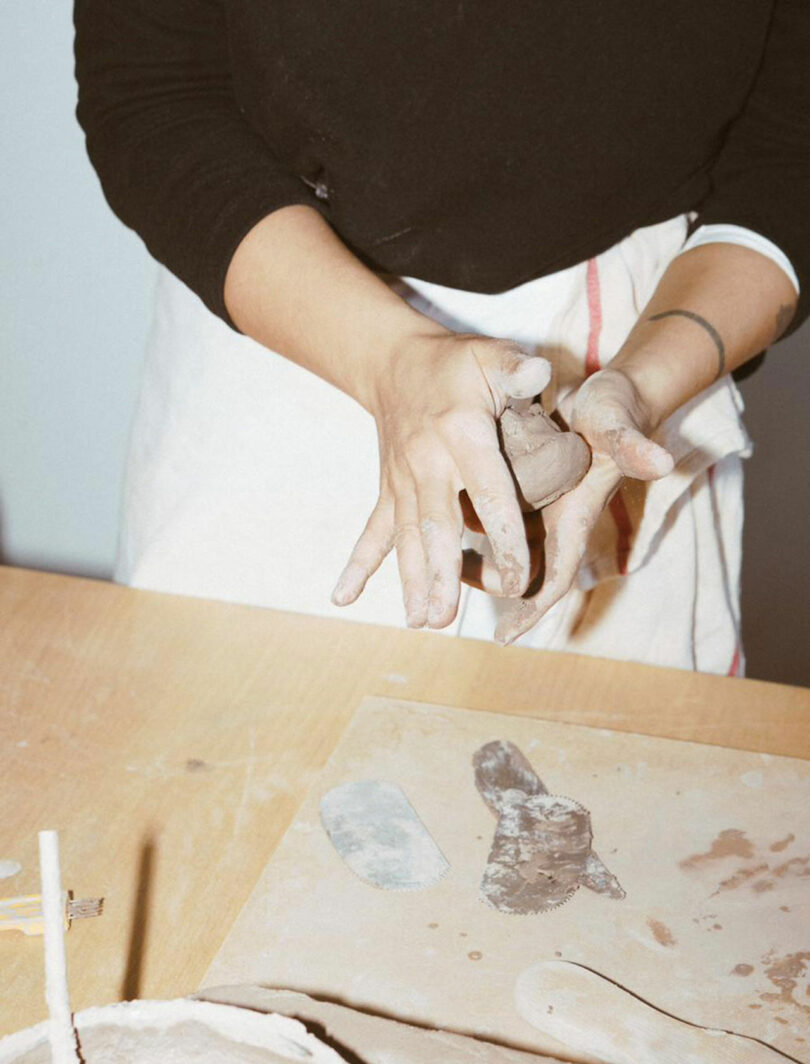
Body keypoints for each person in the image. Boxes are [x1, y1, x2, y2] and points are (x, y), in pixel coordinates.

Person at [74, 2, 809, 673]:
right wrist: (392, 361)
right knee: (227, 775)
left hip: (637, 346)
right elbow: (154, 95)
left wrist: (641, 386)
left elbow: (789, 157)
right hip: (292, 315)